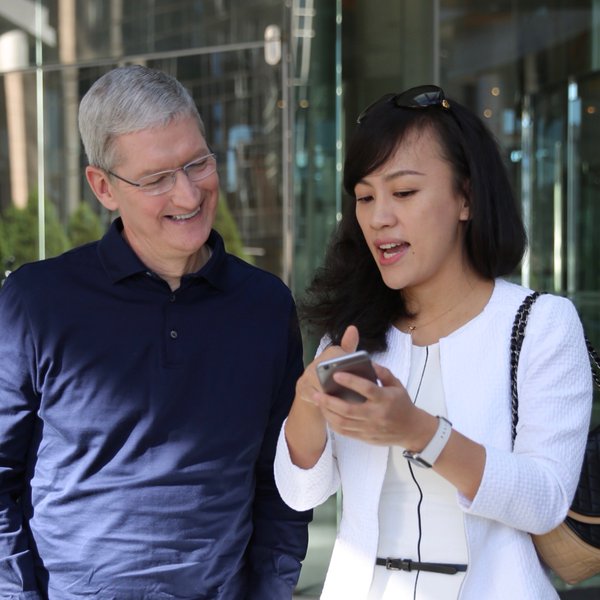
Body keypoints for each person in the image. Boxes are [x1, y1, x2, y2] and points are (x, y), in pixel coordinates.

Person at [0, 64, 311, 599]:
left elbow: (279, 483)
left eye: (197, 164)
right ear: (103, 187)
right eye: (157, 179)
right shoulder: (35, 301)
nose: (188, 196)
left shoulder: (265, 305)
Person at [274, 85, 593, 599]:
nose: (379, 217)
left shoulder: (540, 324)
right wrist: (307, 402)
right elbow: (300, 493)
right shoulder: (353, 333)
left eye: (403, 193)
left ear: (465, 197)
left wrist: (420, 431)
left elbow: (545, 500)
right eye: (364, 196)